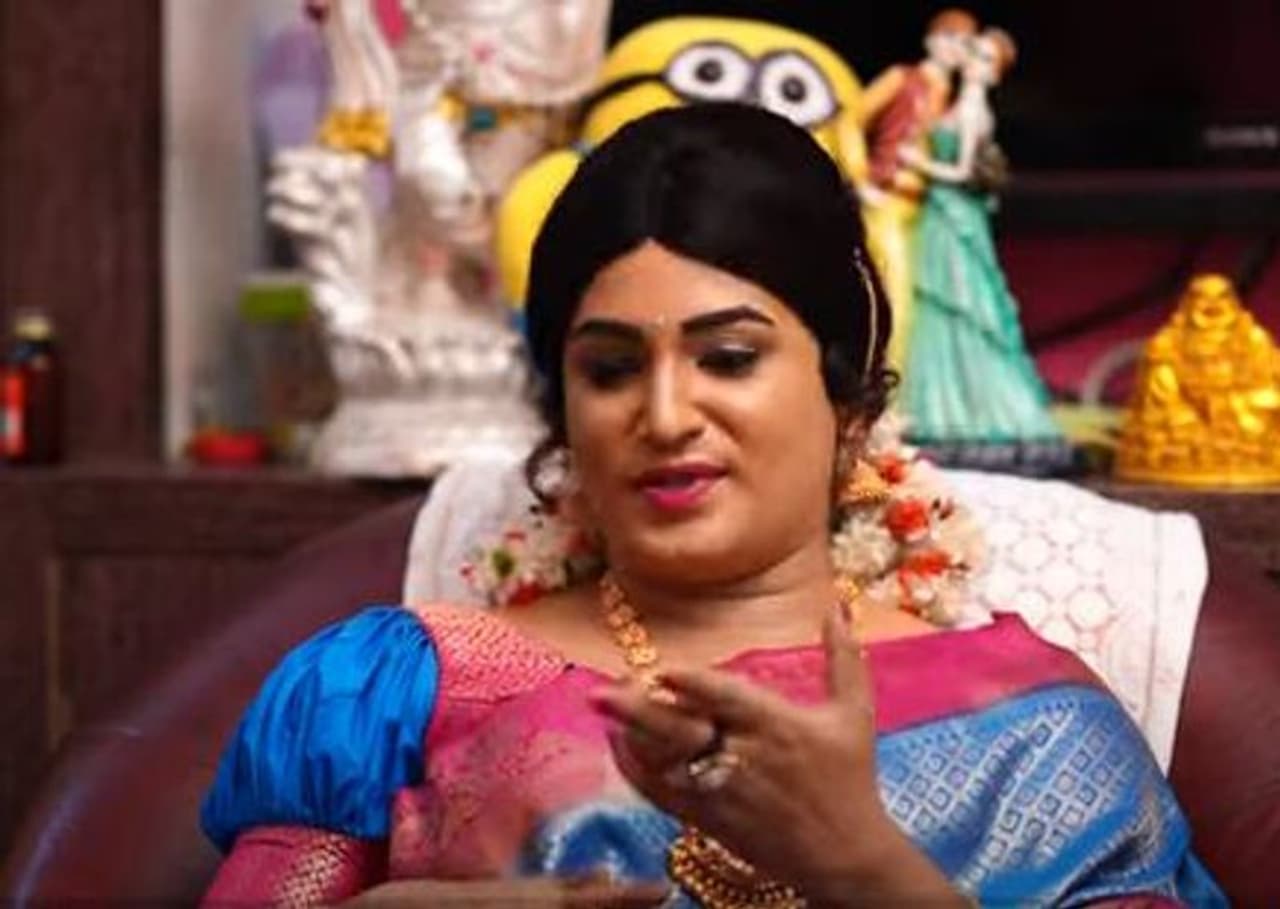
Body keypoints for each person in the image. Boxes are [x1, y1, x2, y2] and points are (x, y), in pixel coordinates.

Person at [200, 103, 1222, 906]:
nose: (663, 414)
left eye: (728, 357)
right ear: (562, 419)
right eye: (609, 369)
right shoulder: (397, 691)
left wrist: (867, 870)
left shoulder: (1038, 729)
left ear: (848, 404)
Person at [896, 29, 1070, 473]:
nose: (975, 61)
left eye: (986, 58)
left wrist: (918, 164)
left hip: (954, 212)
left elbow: (961, 171)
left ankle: (970, 412)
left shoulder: (974, 110)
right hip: (940, 214)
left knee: (960, 304)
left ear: (994, 73)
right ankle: (939, 406)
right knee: (937, 307)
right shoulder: (957, 101)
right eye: (975, 52)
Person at [857, 8, 976, 369]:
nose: (955, 48)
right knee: (895, 296)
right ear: (931, 40)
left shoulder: (953, 99)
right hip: (888, 199)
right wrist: (862, 179)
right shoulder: (902, 78)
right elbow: (851, 119)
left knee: (924, 305)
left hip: (925, 211)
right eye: (949, 37)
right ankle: (882, 384)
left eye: (965, 43)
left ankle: (907, 386)